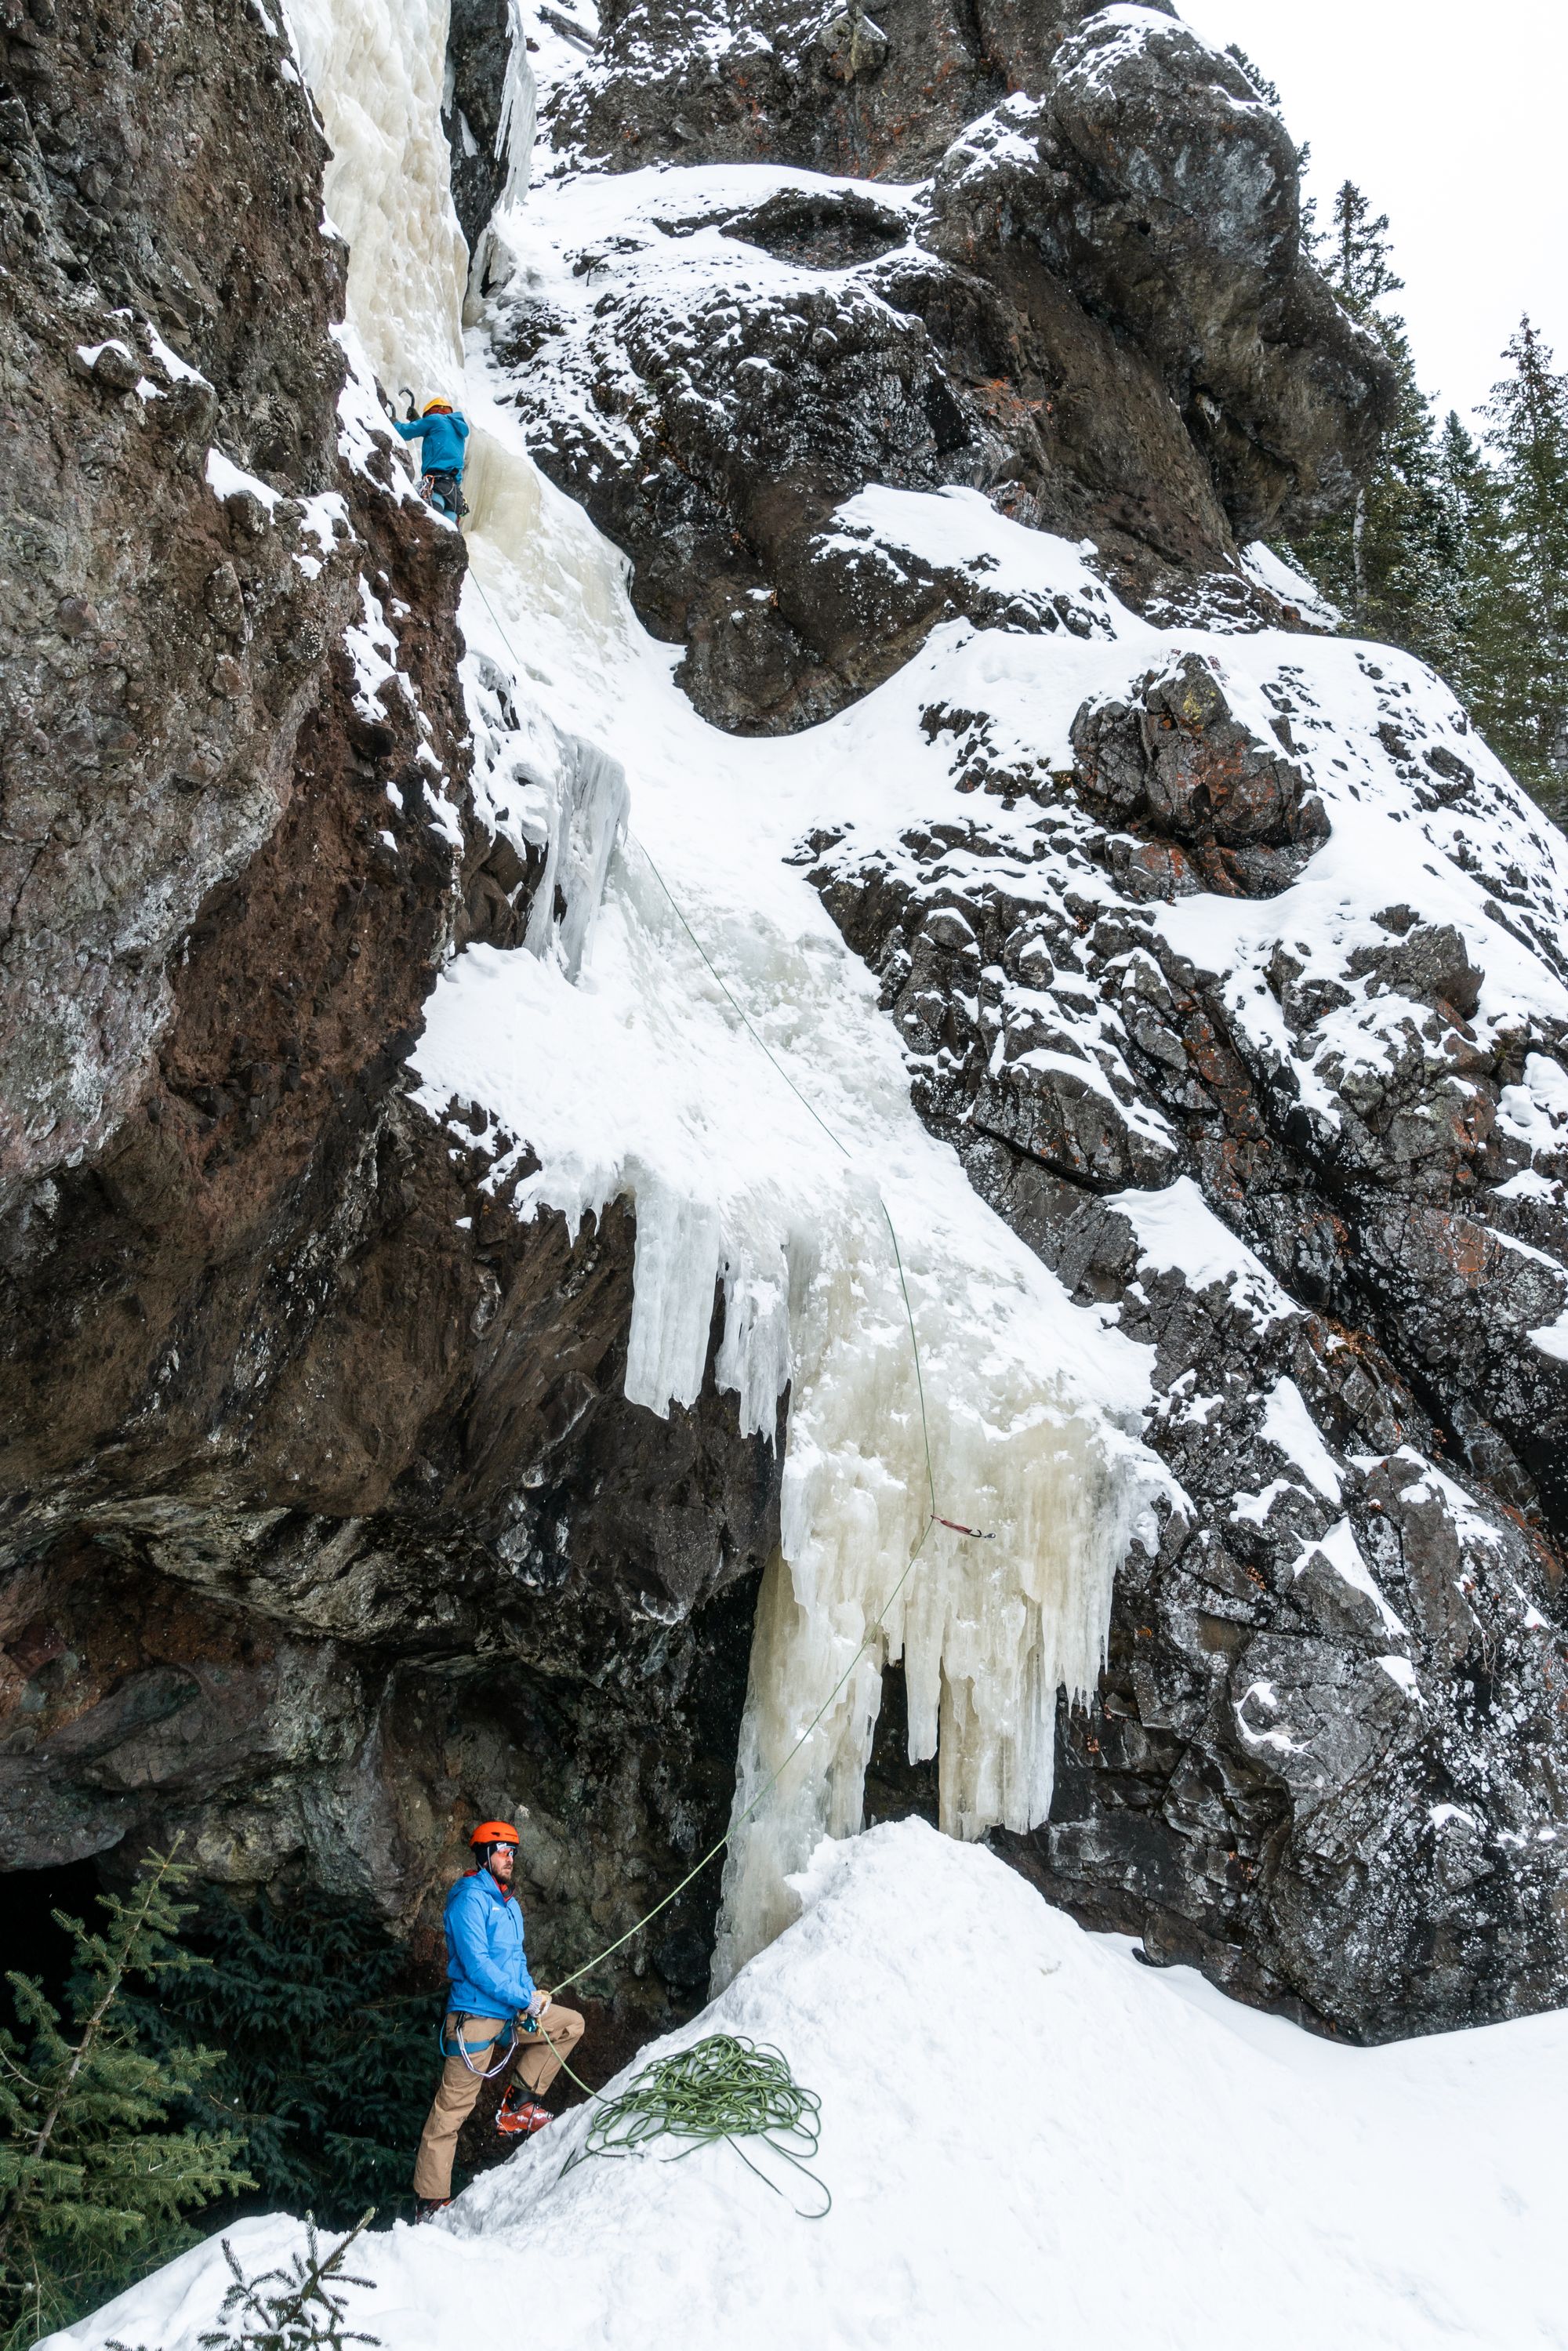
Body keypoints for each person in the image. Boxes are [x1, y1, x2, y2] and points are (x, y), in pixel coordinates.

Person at [412, 1819, 586, 2222]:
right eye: (505, 1851)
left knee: (569, 2024)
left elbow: (516, 1962)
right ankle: (429, 2201)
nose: (511, 1858)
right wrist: (523, 1998)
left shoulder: (510, 1904)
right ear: (485, 1855)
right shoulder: (468, 1900)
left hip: (511, 2013)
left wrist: (532, 1997)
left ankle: (518, 2105)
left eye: (514, 1851)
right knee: (452, 2109)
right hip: (474, 2016)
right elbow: (478, 1966)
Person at [395, 395, 470, 521]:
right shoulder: (458, 429)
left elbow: (405, 432)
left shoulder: (435, 419)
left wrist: (392, 422)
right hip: (454, 493)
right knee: (448, 533)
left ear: (431, 411)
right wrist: (419, 420)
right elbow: (439, 437)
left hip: (437, 483)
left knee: (431, 523)